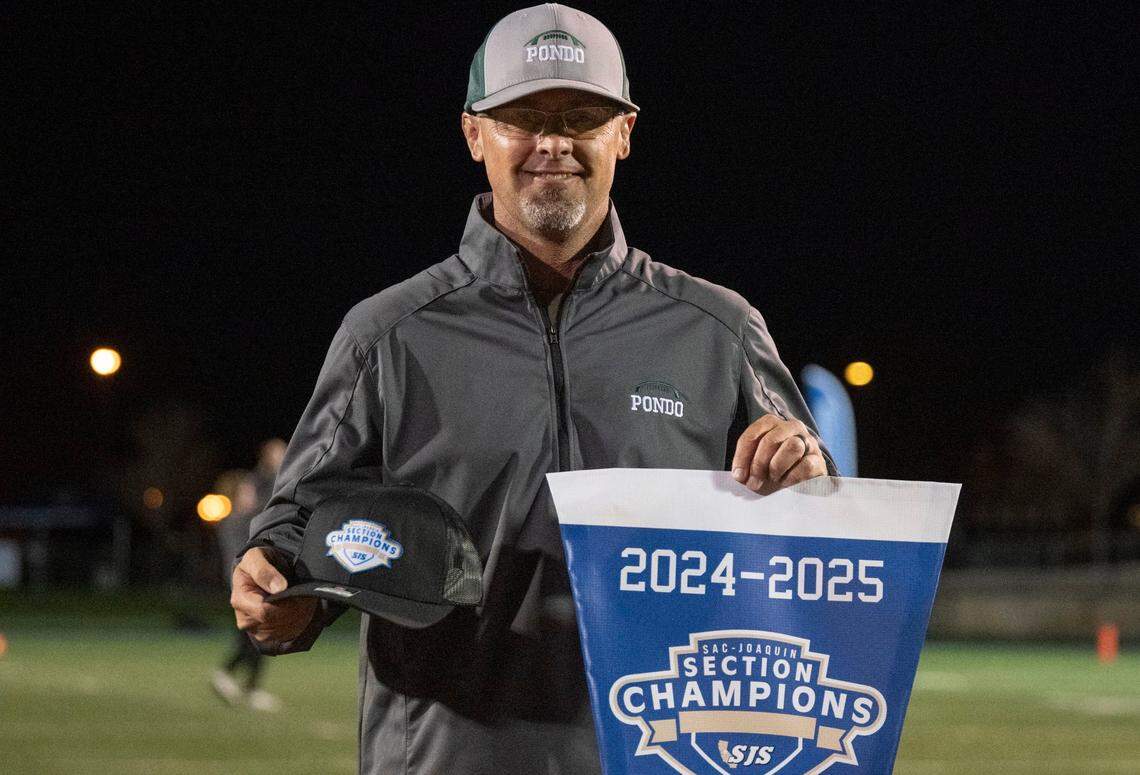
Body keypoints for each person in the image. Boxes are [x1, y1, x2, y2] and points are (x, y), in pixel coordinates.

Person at [230, 5, 835, 772]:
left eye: (581, 115)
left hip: (662, 756)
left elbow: (825, 549)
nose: (553, 141)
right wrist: (276, 590)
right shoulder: (388, 332)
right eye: (523, 116)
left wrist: (808, 480)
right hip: (444, 756)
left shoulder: (718, 328)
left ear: (624, 133)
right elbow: (297, 525)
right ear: (474, 134)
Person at [211, 438, 286, 711]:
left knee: (256, 636)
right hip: (242, 585)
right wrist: (274, 468)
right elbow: (271, 500)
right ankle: (234, 678)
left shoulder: (243, 518)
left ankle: (241, 683)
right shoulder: (237, 521)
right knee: (257, 635)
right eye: (245, 490)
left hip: (247, 584)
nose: (250, 492)